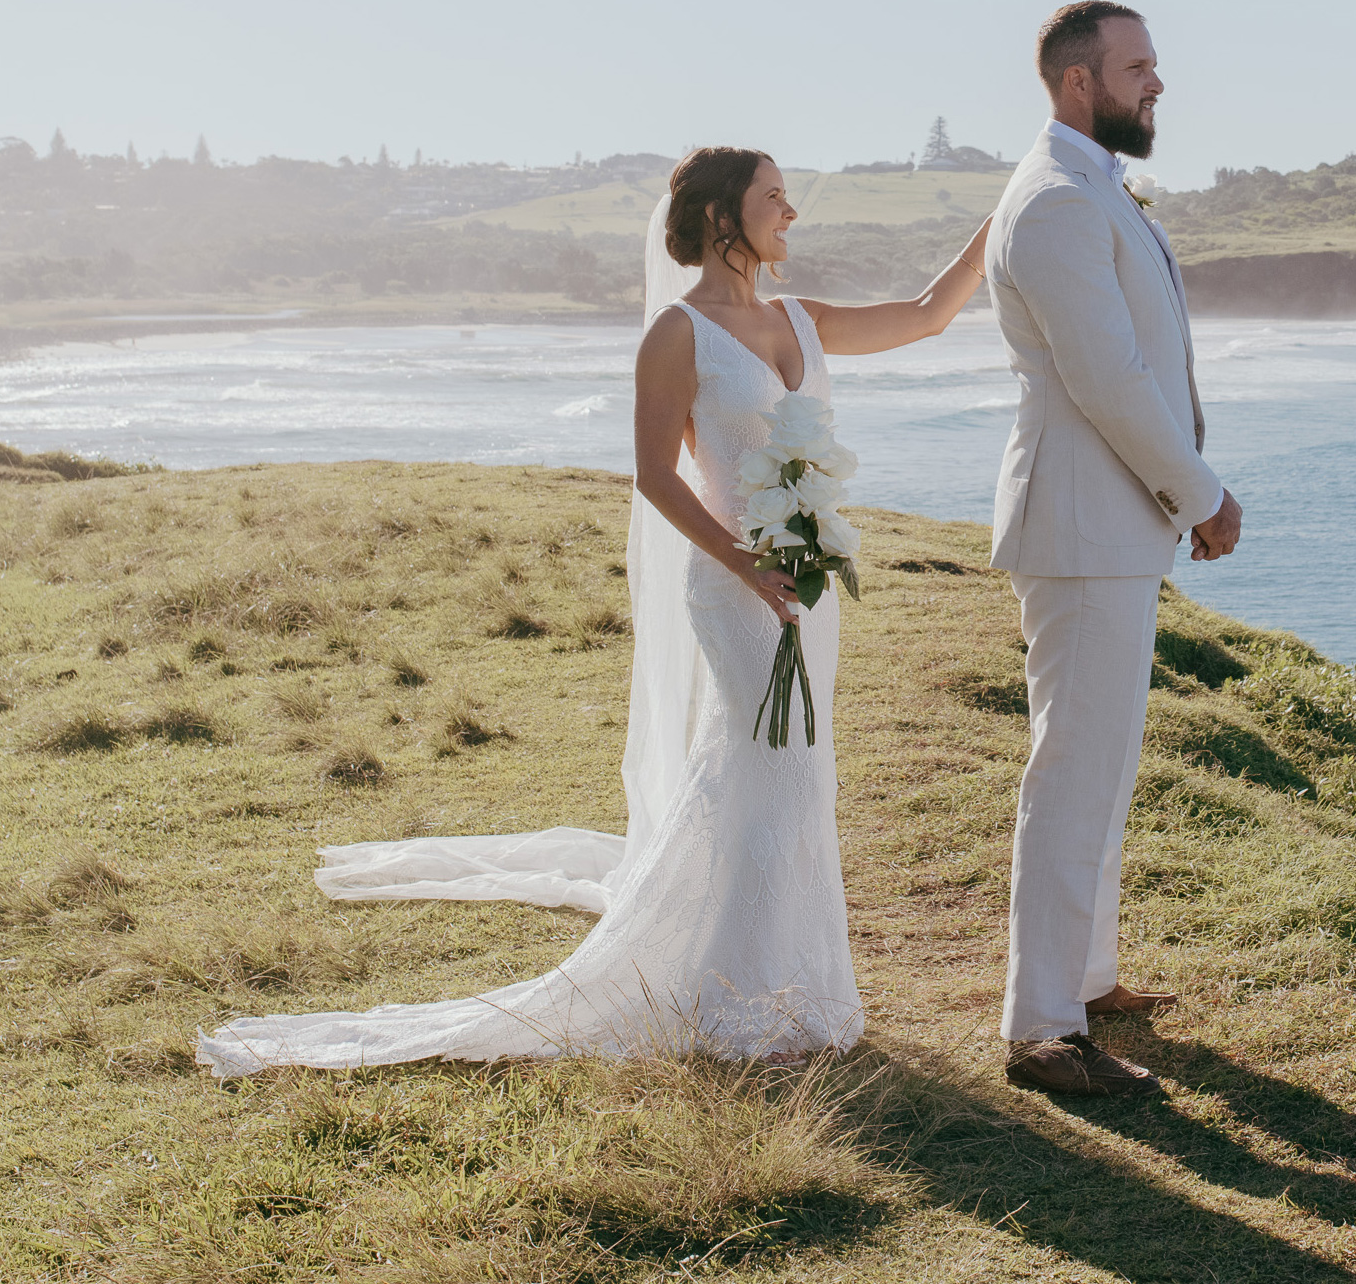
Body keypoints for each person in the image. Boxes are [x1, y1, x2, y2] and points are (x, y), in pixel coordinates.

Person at [196, 148, 989, 1076]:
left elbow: (930, 315)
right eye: (775, 198)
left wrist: (999, 218)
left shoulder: (801, 320)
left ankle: (794, 988)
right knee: (762, 769)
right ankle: (743, 1000)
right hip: (736, 589)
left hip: (806, 591)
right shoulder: (677, 334)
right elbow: (656, 473)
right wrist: (744, 563)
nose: (791, 215)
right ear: (724, 218)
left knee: (801, 771)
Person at [985, 0, 1243, 1097]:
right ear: (1080, 81)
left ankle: (1085, 976)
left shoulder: (1090, 185)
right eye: (1140, 66)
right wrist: (1201, 492)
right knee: (1072, 769)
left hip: (1108, 522)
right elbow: (1106, 377)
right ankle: (1043, 1026)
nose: (1159, 83)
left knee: (1104, 763)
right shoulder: (1052, 201)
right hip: (1087, 522)